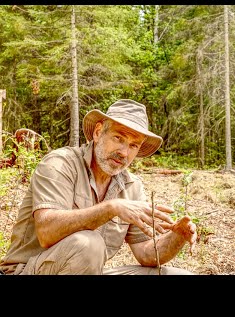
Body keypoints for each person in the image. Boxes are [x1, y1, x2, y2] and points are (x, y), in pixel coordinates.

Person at [0, 99, 197, 275]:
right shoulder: (60, 164)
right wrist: (111, 207)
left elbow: (146, 253)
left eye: (133, 146)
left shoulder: (132, 186)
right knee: (88, 245)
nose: (124, 152)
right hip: (27, 269)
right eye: (118, 138)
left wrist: (177, 237)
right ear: (97, 132)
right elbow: (47, 231)